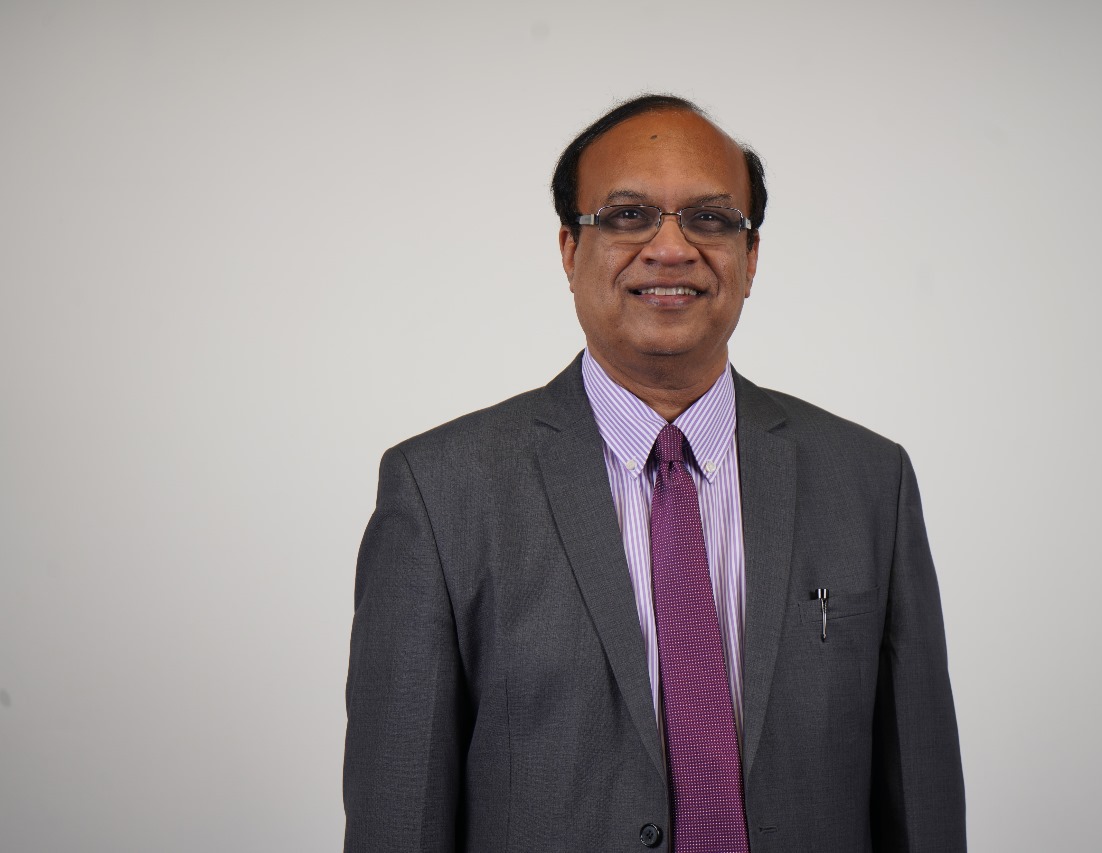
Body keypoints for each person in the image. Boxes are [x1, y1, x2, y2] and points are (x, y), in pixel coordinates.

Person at [343, 94, 965, 852]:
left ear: (750, 258)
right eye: (629, 215)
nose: (671, 249)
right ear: (570, 250)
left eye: (709, 218)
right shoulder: (440, 492)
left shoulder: (869, 482)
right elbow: (398, 814)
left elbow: (923, 802)